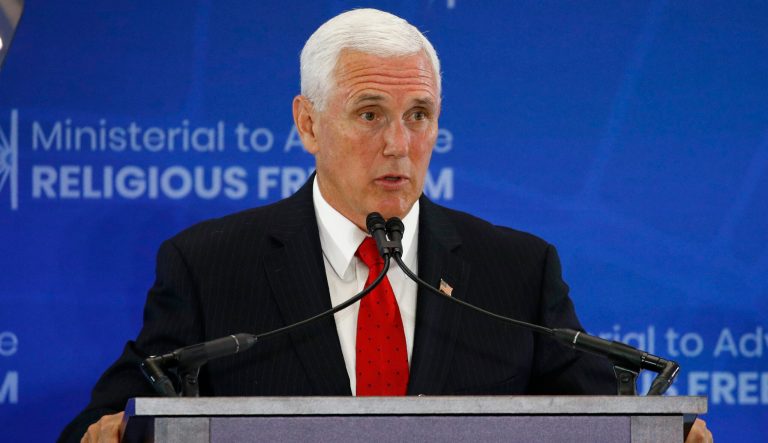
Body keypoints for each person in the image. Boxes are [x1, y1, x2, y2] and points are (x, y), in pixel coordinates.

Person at [60, 8, 712, 443]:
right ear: (308, 123)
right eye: (370, 113)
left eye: (419, 114)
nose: (399, 144)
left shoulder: (516, 268)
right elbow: (108, 420)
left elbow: (610, 423)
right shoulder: (208, 264)